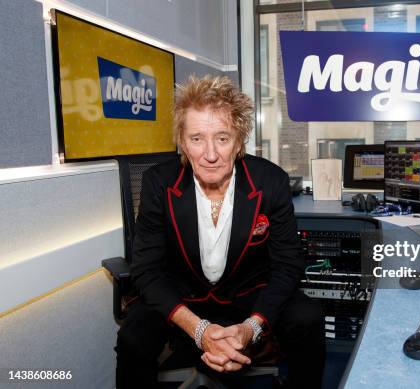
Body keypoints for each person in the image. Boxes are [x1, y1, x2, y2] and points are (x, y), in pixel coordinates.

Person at [115, 75, 325, 388]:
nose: (210, 154)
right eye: (197, 138)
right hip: (184, 298)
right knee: (134, 335)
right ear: (182, 143)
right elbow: (146, 270)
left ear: (239, 142)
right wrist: (199, 330)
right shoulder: (158, 183)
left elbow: (287, 265)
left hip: (248, 299)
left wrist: (251, 327)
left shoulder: (271, 181)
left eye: (222, 138)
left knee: (307, 318)